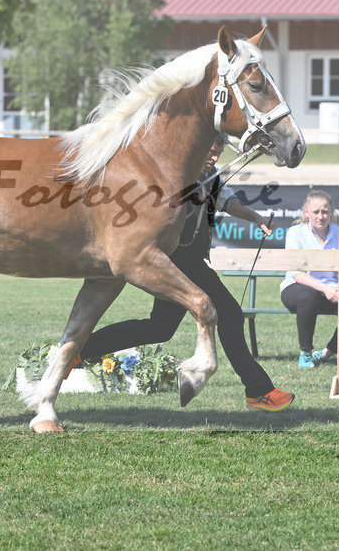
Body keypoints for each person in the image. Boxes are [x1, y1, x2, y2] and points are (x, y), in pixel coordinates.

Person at [69, 137, 295, 412]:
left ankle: (79, 350)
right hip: (178, 259)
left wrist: (256, 218)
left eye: (218, 152)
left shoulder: (209, 175)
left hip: (188, 259)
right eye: (211, 150)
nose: (214, 157)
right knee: (231, 314)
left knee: (160, 328)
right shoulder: (176, 173)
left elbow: (228, 201)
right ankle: (259, 391)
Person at [279, 190, 339, 369]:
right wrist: (325, 289)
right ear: (306, 212)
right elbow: (296, 273)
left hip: (334, 289)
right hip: (298, 288)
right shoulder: (295, 232)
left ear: (332, 212)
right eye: (315, 212)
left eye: (324, 212)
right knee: (307, 295)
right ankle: (305, 354)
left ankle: (325, 353)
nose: (320, 217)